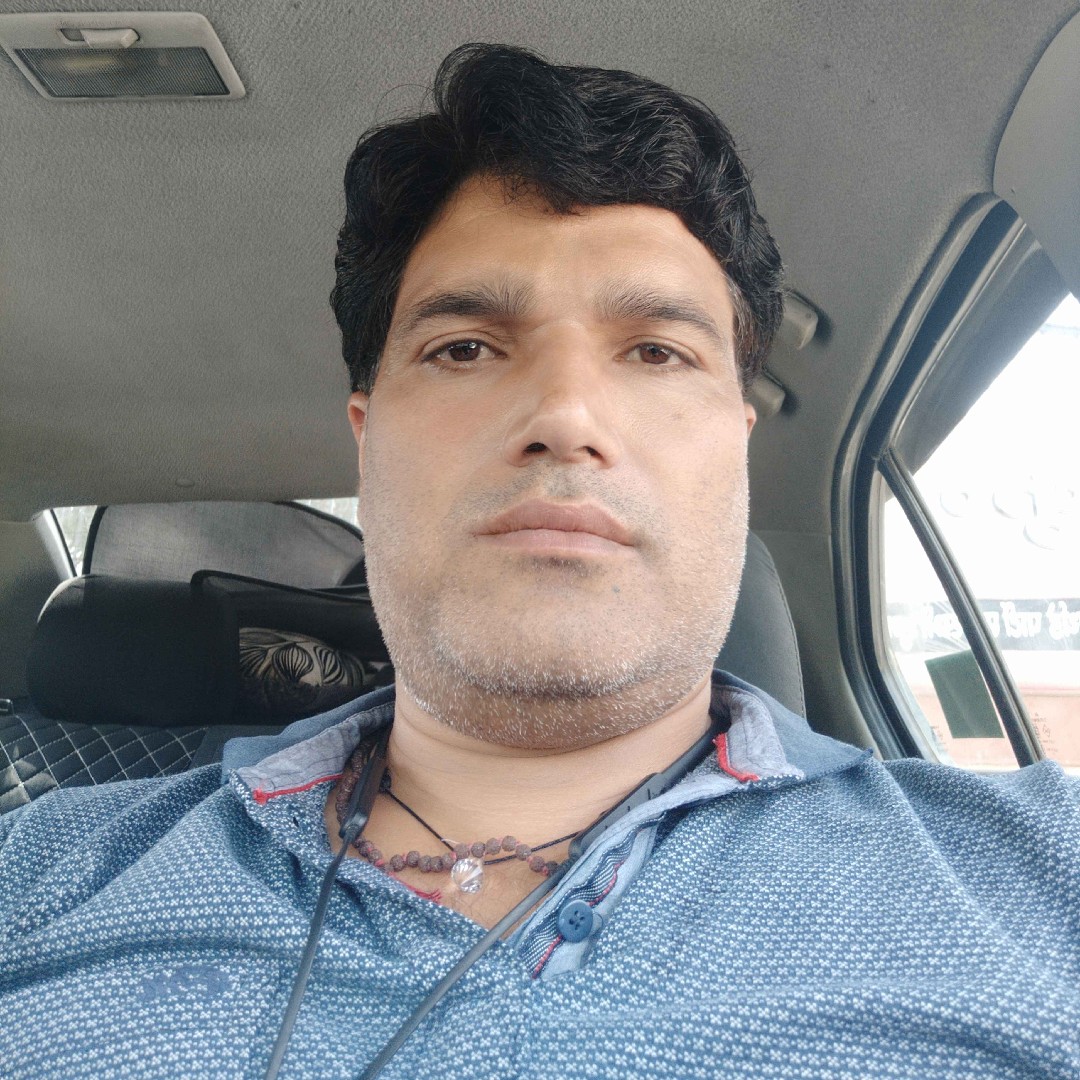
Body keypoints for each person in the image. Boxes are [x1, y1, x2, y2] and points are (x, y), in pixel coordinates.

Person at [1, 42, 1078, 1080]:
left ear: (737, 447)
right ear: (367, 444)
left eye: (656, 351)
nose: (566, 415)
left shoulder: (1040, 875)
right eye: (465, 348)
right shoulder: (38, 877)